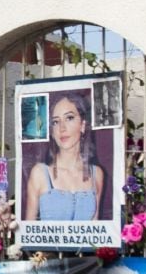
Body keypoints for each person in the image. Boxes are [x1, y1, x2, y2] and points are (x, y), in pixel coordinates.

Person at [23, 90, 105, 221]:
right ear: (52, 131)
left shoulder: (97, 174)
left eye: (69, 118)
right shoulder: (39, 173)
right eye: (56, 122)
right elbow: (27, 233)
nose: (62, 128)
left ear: (83, 125)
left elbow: (96, 233)